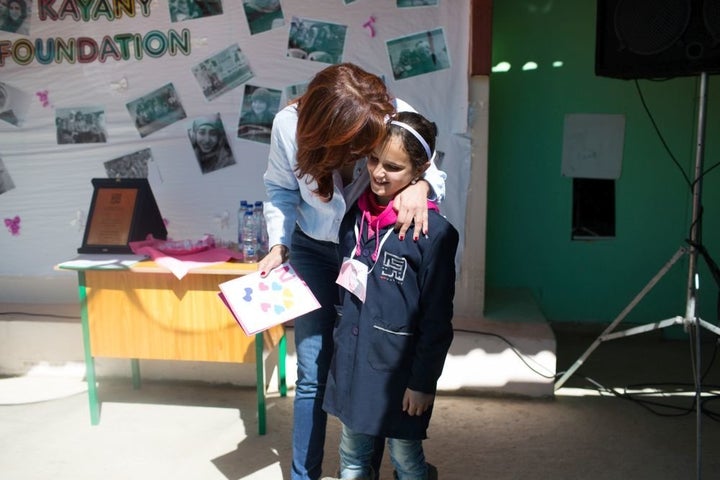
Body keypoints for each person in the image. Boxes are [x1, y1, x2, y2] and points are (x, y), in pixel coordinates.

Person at [259, 63, 446, 480]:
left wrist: (421, 186)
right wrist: (279, 244)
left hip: (365, 249)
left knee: (369, 361)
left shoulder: (389, 112)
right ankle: (303, 474)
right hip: (310, 249)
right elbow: (279, 189)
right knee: (312, 370)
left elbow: (430, 168)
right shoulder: (288, 126)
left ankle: (365, 466)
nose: (366, 160)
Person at [322, 111, 457, 480]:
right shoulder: (353, 219)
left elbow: (436, 321)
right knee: (351, 455)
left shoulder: (434, 235)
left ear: (421, 169)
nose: (378, 173)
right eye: (373, 160)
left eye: (393, 166)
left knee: (404, 455)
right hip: (353, 364)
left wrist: (422, 382)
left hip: (399, 375)